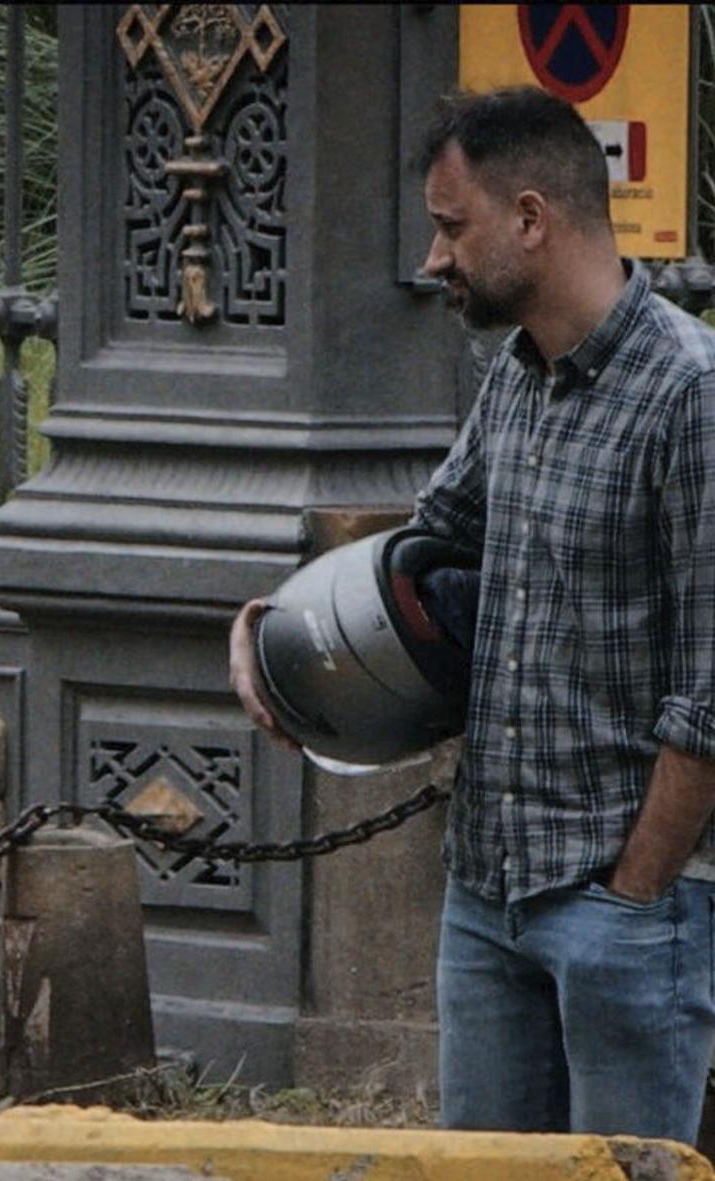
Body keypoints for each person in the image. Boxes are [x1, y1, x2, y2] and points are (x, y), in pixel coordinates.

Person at [229, 86, 715, 1144]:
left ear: (532, 218)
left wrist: (634, 895)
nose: (434, 258)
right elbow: (425, 543)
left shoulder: (691, 396)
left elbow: (713, 688)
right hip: (484, 897)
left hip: (623, 912)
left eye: (453, 226)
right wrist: (273, 632)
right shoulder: (515, 380)